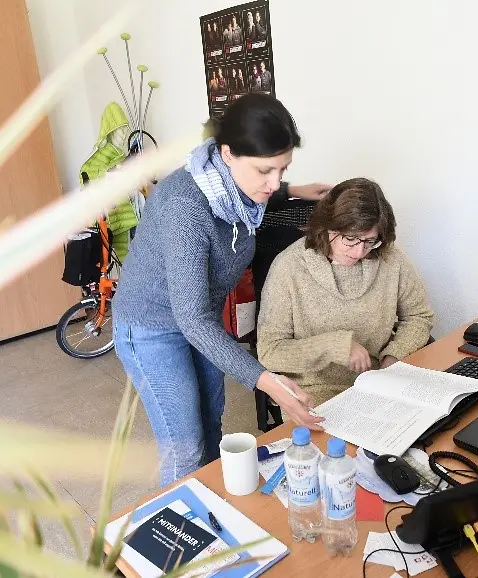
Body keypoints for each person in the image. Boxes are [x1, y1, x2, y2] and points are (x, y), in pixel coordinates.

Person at [113, 94, 329, 486]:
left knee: (212, 423)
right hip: (151, 327)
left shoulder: (236, 188)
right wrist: (268, 381)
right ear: (227, 154)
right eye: (266, 170)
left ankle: (213, 511)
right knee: (185, 443)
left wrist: (296, 190)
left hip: (199, 317)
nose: (274, 182)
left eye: (283, 169)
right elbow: (190, 319)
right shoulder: (186, 206)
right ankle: (182, 530)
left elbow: (254, 189)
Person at [257, 178, 434, 407]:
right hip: (313, 391)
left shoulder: (390, 259)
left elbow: (419, 316)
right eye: (350, 239)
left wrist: (393, 355)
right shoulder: (289, 268)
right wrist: (335, 346)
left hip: (379, 380)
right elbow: (270, 351)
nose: (360, 251)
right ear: (328, 226)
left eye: (370, 241)